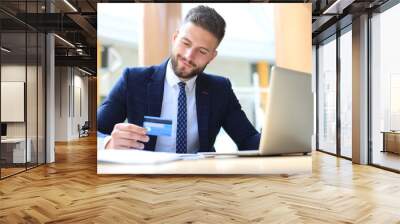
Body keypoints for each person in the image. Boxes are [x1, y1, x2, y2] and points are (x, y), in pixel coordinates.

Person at [97, 5, 260, 153]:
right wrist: (108, 143)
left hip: (199, 179)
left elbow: (248, 139)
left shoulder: (220, 89)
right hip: (146, 178)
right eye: (186, 43)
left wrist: (279, 138)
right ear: (175, 38)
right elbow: (90, 133)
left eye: (202, 51)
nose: (189, 56)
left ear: (212, 56)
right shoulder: (133, 80)